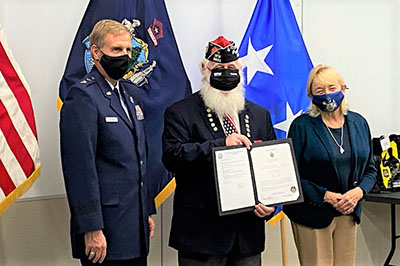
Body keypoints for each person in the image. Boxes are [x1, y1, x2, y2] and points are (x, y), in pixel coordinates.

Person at [162, 36, 276, 266]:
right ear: (205, 69)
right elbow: (172, 157)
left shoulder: (259, 114)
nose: (226, 73)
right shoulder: (180, 112)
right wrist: (221, 145)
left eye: (231, 68)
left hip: (247, 235)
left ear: (240, 70)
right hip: (201, 235)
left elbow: (270, 167)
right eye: (219, 68)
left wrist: (272, 204)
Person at [60, 19, 155, 266]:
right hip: (105, 228)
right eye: (116, 50)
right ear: (95, 52)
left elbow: (139, 155)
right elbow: (80, 167)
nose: (124, 56)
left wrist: (146, 209)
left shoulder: (130, 93)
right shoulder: (83, 96)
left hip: (134, 222)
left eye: (127, 50)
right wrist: (90, 226)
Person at [283, 65, 377, 266]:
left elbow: (370, 169)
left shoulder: (359, 123)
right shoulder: (302, 126)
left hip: (349, 211)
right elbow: (290, 175)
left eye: (331, 88)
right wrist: (324, 195)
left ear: (343, 88)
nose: (327, 95)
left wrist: (358, 192)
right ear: (310, 95)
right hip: (313, 214)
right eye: (319, 91)